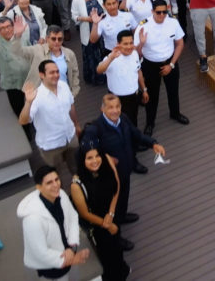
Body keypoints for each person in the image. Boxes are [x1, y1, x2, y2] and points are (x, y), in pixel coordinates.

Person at [81, 95, 167, 236]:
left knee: (124, 196)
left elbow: (137, 135)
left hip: (126, 170)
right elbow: (86, 148)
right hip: (109, 178)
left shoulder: (124, 119)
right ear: (102, 109)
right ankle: (117, 235)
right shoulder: (95, 129)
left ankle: (122, 215)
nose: (115, 111)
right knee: (111, 205)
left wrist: (153, 143)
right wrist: (104, 158)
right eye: (110, 107)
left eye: (117, 107)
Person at [17, 166, 90, 280]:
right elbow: (40, 253)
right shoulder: (32, 219)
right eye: (49, 182)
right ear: (39, 187)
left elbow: (73, 217)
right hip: (51, 268)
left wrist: (72, 244)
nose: (56, 185)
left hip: (69, 254)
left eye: (57, 179)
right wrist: (70, 259)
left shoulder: (61, 194)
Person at [70, 146, 129, 280]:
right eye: (89, 158)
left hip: (112, 215)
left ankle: (121, 270)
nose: (95, 161)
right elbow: (85, 213)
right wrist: (107, 224)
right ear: (82, 160)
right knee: (107, 255)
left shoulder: (106, 162)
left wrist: (112, 213)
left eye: (97, 156)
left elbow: (116, 185)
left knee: (117, 247)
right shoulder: (76, 185)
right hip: (98, 226)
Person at [135, 0, 187, 136]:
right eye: (159, 12)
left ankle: (175, 114)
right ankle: (150, 123)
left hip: (170, 62)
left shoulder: (173, 23)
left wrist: (171, 64)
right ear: (152, 11)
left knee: (173, 91)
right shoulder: (142, 26)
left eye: (165, 12)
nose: (162, 15)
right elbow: (136, 52)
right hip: (150, 65)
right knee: (152, 96)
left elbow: (180, 44)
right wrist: (141, 43)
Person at [21, 60, 81, 176]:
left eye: (57, 72)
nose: (56, 75)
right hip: (51, 146)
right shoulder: (36, 97)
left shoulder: (63, 85)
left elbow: (71, 105)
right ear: (42, 75)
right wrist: (28, 103)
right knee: (56, 177)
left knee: (77, 169)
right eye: (52, 72)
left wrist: (76, 124)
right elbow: (23, 121)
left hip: (70, 137)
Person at [96, 30, 147, 132]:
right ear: (118, 44)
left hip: (133, 96)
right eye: (125, 44)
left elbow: (138, 72)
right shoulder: (111, 57)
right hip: (117, 99)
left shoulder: (135, 54)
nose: (129, 47)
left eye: (131, 43)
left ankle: (133, 143)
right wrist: (110, 58)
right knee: (117, 125)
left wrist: (144, 89)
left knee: (133, 121)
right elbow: (99, 70)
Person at [16, 25, 80, 98]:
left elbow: (75, 73)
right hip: (41, 98)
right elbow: (18, 52)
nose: (57, 42)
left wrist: (74, 92)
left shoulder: (69, 54)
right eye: (53, 39)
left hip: (63, 96)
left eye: (60, 39)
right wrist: (17, 37)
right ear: (47, 38)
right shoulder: (38, 50)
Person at [71, 0, 109, 86]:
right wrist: (86, 19)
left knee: (104, 53)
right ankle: (94, 78)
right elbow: (74, 16)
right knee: (91, 54)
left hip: (104, 28)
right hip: (88, 29)